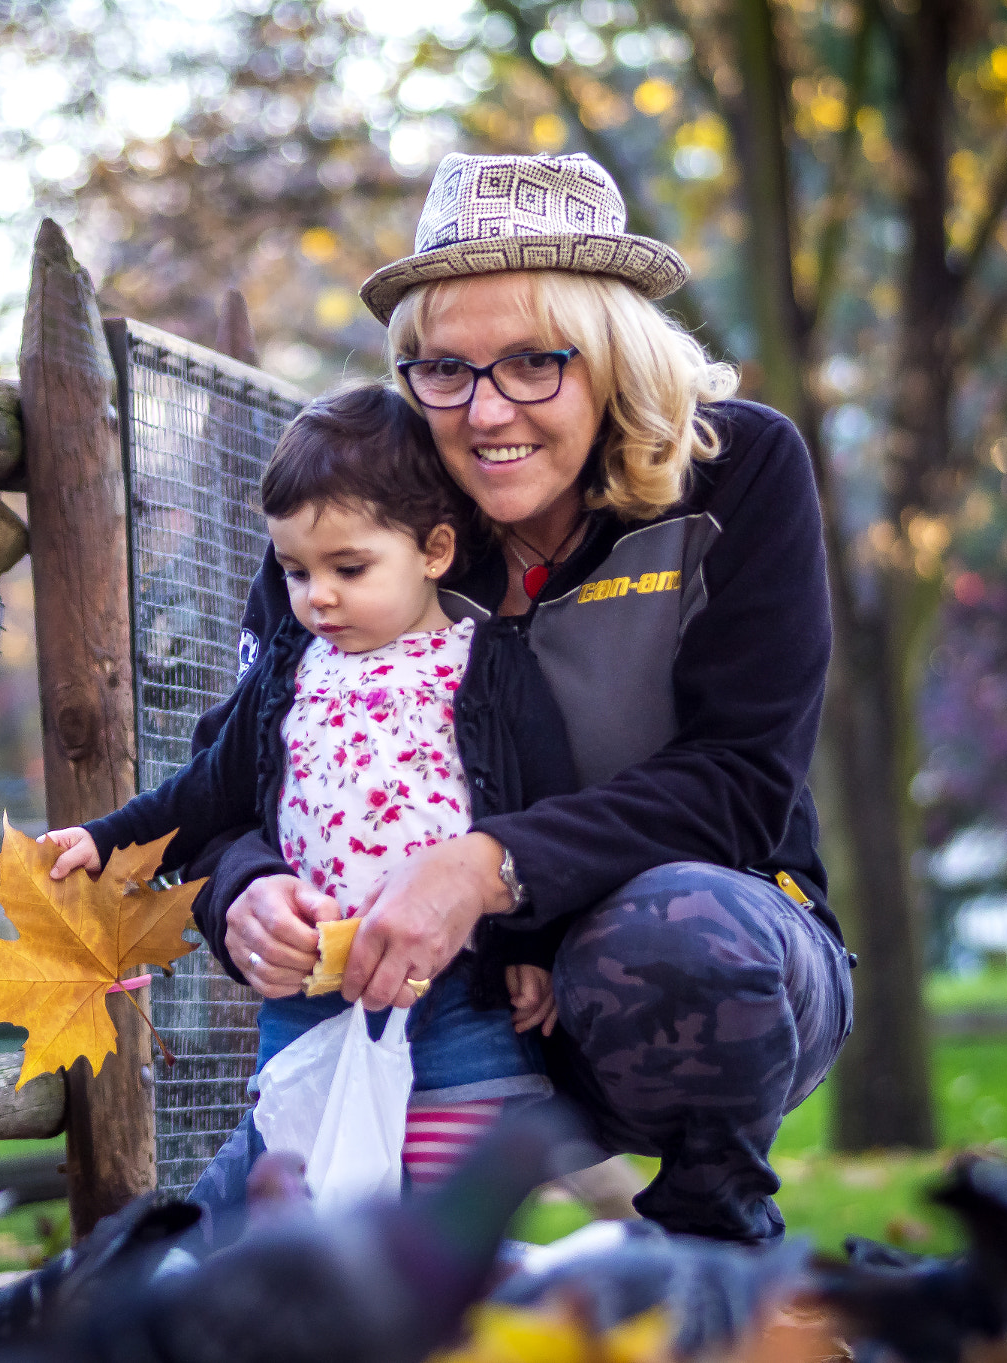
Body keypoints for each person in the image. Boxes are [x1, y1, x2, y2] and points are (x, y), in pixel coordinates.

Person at [182, 152, 856, 1245]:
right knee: (190, 1285)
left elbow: (740, 782)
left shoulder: (736, 472)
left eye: (532, 363)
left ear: (613, 361)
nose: (484, 410)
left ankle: (712, 1249)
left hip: (693, 978)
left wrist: (482, 864)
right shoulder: (354, 520)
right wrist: (243, 892)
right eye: (443, 370)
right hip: (419, 1007)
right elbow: (232, 779)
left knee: (681, 929)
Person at [41, 382, 579, 1196]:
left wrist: (539, 946)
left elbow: (544, 809)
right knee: (299, 1194)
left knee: (446, 1211)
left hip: (461, 995)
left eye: (349, 567)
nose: (316, 595)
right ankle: (304, 1320)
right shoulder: (290, 676)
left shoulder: (489, 667)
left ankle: (443, 1318)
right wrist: (105, 836)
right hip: (309, 993)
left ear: (433, 551)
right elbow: (205, 791)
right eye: (294, 570)